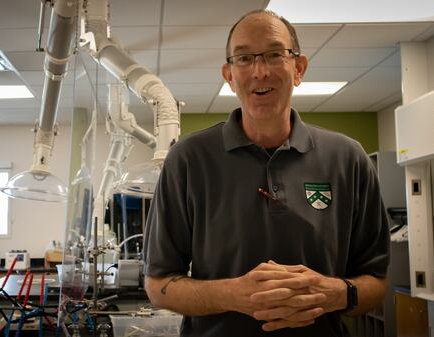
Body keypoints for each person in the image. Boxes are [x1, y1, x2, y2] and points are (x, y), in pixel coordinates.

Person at [142, 9, 390, 337]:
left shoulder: (349, 159)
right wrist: (233, 294)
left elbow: (377, 282)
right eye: (244, 58)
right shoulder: (188, 159)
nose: (260, 71)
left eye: (274, 54)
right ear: (229, 76)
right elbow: (158, 284)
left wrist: (333, 294)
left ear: (298, 68)